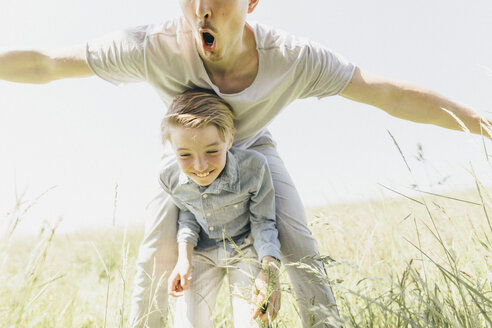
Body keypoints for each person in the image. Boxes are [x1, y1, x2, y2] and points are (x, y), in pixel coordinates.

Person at [0, 0, 490, 327]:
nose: (202, 10)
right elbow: (47, 63)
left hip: (254, 146)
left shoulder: (293, 58)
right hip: (186, 158)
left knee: (297, 240)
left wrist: (480, 123)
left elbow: (385, 93)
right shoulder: (154, 45)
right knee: (157, 248)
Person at [160, 88, 281, 327]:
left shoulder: (254, 168)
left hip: (244, 247)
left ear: (230, 139)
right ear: (172, 149)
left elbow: (264, 221)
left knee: (252, 321)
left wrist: (270, 270)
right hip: (201, 253)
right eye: (185, 155)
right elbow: (188, 214)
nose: (200, 166)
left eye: (212, 151)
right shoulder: (168, 177)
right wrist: (184, 259)